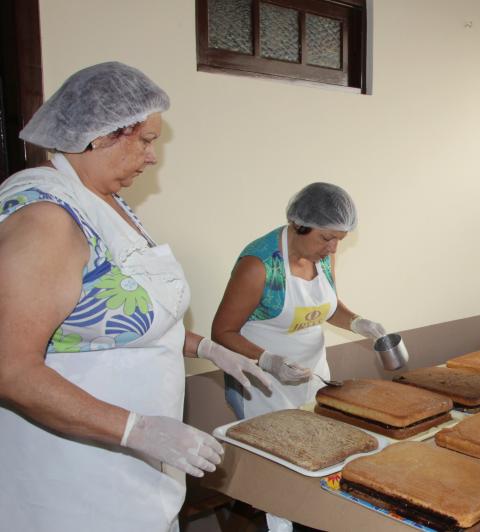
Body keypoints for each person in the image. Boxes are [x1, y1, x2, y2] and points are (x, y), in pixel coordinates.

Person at [0, 62, 274, 532]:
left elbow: (119, 317)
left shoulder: (104, 202)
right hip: (75, 479)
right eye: (146, 140)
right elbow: (10, 368)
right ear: (99, 136)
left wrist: (205, 348)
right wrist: (134, 428)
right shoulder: (46, 217)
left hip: (134, 470)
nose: (152, 157)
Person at [211, 182, 387, 532]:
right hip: (262, 386)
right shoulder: (258, 266)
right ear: (298, 225)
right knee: (276, 478)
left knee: (316, 460)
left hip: (312, 376)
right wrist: (269, 361)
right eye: (326, 238)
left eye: (340, 238)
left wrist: (357, 322)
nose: (333, 247)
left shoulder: (323, 255)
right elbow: (222, 332)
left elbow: (328, 307)